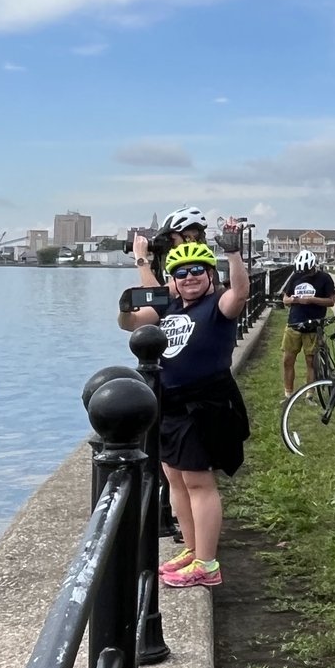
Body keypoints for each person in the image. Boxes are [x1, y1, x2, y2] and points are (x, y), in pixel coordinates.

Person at [125, 230, 251, 589]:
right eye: (181, 273)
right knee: (175, 477)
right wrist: (139, 267)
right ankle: (193, 549)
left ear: (210, 275)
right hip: (171, 404)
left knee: (198, 480)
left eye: (198, 270)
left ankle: (207, 564)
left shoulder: (218, 305)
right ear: (174, 281)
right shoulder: (172, 305)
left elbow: (241, 292)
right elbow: (134, 318)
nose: (190, 277)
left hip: (204, 404)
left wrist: (233, 253)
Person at [279, 249, 335, 398]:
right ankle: (288, 394)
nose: (304, 275)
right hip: (294, 324)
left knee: (311, 361)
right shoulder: (295, 277)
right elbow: (285, 299)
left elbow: (331, 301)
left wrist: (311, 300)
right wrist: (294, 300)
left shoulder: (325, 278)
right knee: (288, 360)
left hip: (313, 326)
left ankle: (310, 394)